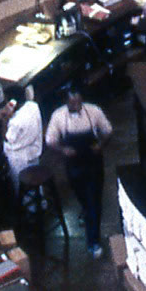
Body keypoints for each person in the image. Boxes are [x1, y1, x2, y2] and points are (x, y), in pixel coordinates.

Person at [45, 85, 112, 256]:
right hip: (73, 164)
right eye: (72, 102)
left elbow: (108, 131)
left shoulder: (94, 111)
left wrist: (100, 144)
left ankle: (93, 242)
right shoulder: (59, 117)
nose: (76, 105)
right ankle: (86, 209)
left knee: (94, 202)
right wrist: (63, 150)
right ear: (65, 101)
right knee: (81, 194)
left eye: (78, 101)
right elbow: (50, 140)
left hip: (93, 161)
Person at [0, 84, 43, 186]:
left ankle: (23, 200)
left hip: (19, 158)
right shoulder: (33, 105)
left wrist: (4, 118)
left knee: (19, 184)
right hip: (34, 151)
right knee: (35, 180)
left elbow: (6, 138)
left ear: (12, 102)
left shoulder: (16, 122)